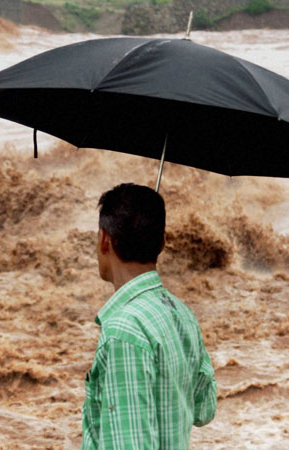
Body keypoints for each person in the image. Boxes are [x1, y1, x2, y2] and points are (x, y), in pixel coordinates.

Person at [82, 183, 217, 449]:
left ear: (105, 239)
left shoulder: (124, 331)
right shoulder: (181, 314)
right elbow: (204, 409)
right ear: (162, 242)